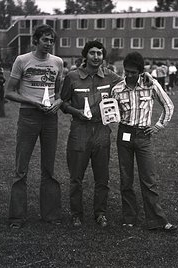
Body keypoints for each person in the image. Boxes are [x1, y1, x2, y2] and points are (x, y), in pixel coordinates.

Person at [5, 24, 64, 229]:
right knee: (21, 168)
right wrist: (32, 102)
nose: (49, 44)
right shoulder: (22, 60)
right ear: (36, 40)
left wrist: (58, 103)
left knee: (49, 168)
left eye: (51, 40)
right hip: (29, 115)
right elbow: (9, 92)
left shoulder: (58, 62)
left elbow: (58, 94)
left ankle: (50, 214)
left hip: (50, 118)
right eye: (45, 40)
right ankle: (17, 217)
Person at [111, 51, 177, 232]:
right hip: (124, 134)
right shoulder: (117, 89)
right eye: (127, 72)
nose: (129, 75)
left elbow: (168, 105)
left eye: (133, 72)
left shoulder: (151, 85)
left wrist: (158, 126)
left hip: (143, 136)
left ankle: (156, 220)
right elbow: (110, 111)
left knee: (148, 178)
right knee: (126, 179)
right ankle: (129, 217)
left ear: (140, 72)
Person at [60, 40, 122, 228]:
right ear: (85, 56)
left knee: (102, 177)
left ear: (103, 57)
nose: (96, 57)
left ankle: (100, 213)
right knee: (76, 177)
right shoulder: (72, 77)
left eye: (100, 53)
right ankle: (76, 214)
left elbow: (127, 89)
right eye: (93, 53)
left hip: (102, 130)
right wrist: (76, 112)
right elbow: (62, 103)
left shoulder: (111, 77)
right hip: (80, 130)